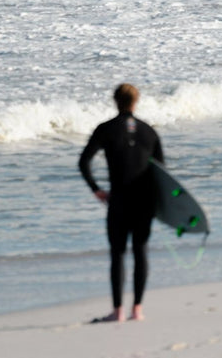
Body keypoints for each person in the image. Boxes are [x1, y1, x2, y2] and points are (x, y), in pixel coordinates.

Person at [79, 83, 164, 322]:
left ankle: (117, 311)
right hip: (144, 202)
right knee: (141, 252)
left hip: (118, 200)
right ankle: (137, 310)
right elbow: (162, 174)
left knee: (117, 254)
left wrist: (96, 190)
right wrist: (161, 206)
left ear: (115, 101)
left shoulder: (106, 129)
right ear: (136, 102)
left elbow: (83, 162)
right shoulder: (149, 132)